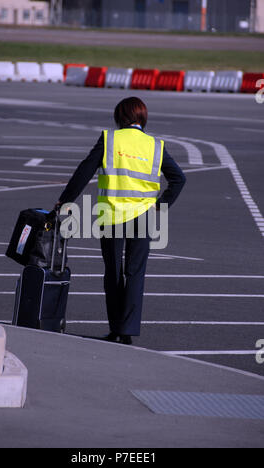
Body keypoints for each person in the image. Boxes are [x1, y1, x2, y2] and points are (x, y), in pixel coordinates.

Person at [55, 97, 186, 345]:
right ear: (143, 118)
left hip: (112, 215)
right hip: (144, 217)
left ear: (119, 117)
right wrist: (160, 206)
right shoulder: (155, 145)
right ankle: (127, 331)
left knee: (113, 272)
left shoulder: (109, 139)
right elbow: (179, 179)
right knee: (135, 273)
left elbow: (85, 170)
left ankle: (114, 328)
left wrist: (66, 200)